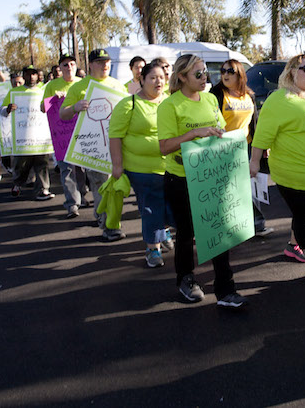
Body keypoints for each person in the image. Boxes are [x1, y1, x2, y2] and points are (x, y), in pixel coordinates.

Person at [158, 54, 247, 308]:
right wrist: (193, 133)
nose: (204, 77)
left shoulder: (210, 99)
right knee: (186, 233)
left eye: (206, 72)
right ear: (182, 77)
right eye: (198, 74)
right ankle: (186, 279)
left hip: (211, 174)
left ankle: (225, 289)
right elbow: (164, 147)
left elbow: (219, 129)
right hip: (181, 178)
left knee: (219, 231)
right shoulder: (170, 105)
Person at [250, 55, 305, 283]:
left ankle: (293, 246)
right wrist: (255, 161)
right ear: (292, 71)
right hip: (292, 169)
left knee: (302, 211)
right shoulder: (280, 99)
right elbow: (263, 132)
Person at [60, 49, 128, 241]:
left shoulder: (117, 85)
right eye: (99, 62)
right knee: (101, 184)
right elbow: (62, 114)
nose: (105, 65)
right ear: (90, 65)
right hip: (93, 146)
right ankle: (110, 226)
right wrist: (74, 107)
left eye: (107, 61)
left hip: (117, 144)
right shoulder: (79, 87)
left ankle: (102, 214)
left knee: (116, 185)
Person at [110, 61, 172, 268]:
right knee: (151, 209)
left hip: (171, 167)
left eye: (162, 77)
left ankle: (162, 231)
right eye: (153, 77)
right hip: (142, 171)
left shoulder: (171, 102)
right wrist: (117, 165)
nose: (158, 82)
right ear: (141, 80)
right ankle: (152, 249)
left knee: (170, 208)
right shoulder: (129, 105)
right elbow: (115, 136)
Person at [213, 59, 273, 237]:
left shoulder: (249, 95)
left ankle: (256, 224)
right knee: (227, 189)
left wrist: (261, 146)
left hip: (246, 147)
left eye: (230, 71)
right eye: (222, 70)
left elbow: (254, 123)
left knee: (249, 186)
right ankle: (226, 225)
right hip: (223, 149)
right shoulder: (216, 94)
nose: (225, 74)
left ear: (240, 74)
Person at [0, 65, 54, 201]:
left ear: (38, 76)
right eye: (28, 74)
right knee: (22, 164)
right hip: (23, 137)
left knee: (42, 164)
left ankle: (43, 190)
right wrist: (7, 109)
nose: (31, 77)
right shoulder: (15, 92)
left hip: (41, 137)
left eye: (34, 74)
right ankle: (18, 183)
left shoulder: (45, 90)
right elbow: (1, 110)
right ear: (23, 76)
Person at [42, 54, 86, 218]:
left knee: (80, 169)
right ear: (60, 68)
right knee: (66, 169)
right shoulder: (52, 85)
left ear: (76, 66)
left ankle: (81, 194)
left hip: (80, 134)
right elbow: (42, 107)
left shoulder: (82, 84)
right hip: (61, 136)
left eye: (72, 64)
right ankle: (72, 204)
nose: (69, 67)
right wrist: (53, 99)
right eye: (65, 65)